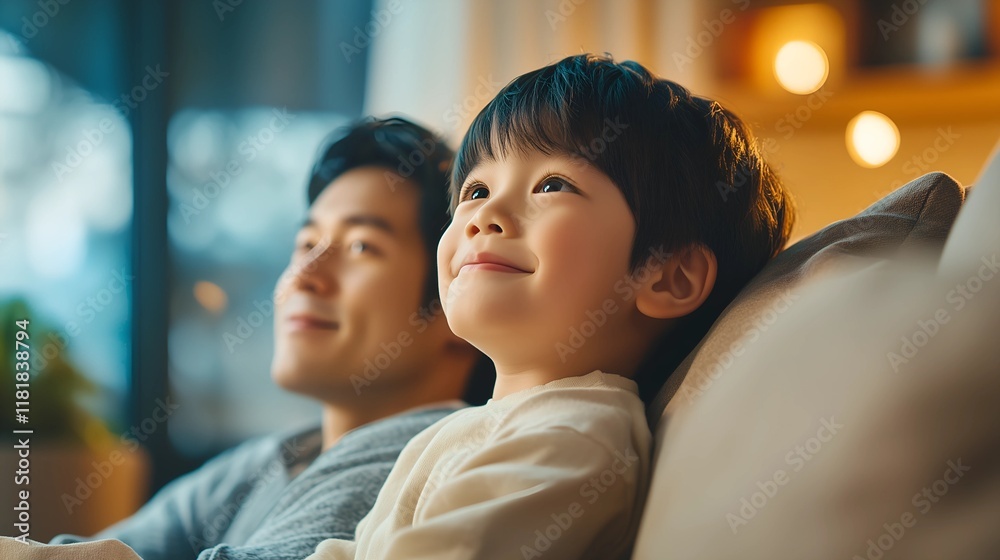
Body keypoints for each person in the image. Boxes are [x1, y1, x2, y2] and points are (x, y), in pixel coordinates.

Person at [307, 53, 795, 559]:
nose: (484, 215)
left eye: (552, 185)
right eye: (476, 190)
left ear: (669, 277)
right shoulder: (461, 431)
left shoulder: (577, 438)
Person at [49, 117, 493, 560]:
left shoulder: (420, 462)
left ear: (454, 303)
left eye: (361, 246)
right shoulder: (276, 458)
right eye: (306, 244)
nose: (303, 276)